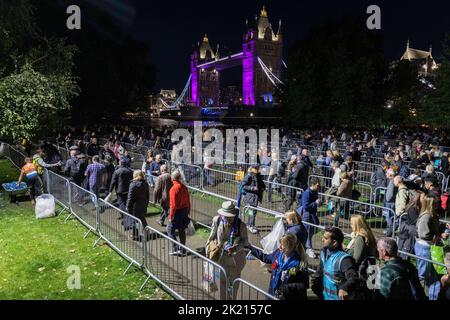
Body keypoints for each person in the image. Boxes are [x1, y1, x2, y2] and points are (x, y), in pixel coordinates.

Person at [205, 201, 248, 300]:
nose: (228, 218)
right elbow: (211, 237)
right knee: (223, 281)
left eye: (230, 216)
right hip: (220, 256)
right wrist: (209, 250)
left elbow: (245, 242)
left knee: (233, 283)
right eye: (226, 216)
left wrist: (235, 248)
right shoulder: (217, 220)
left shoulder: (241, 225)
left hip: (235, 259)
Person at [249, 233, 309, 300]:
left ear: (290, 246)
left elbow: (304, 285)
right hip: (272, 294)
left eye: (283, 245)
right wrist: (250, 248)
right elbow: (265, 257)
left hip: (287, 297)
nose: (280, 247)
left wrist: (285, 289)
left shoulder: (300, 264)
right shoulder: (278, 253)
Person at [311, 227, 360, 300]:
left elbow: (353, 278)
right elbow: (321, 269)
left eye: (326, 238)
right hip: (325, 297)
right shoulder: (324, 252)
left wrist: (344, 288)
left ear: (334, 242)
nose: (322, 240)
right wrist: (315, 282)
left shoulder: (344, 259)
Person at [415, 194, 443, 300]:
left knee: (434, 274)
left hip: (431, 247)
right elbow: (423, 234)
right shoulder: (426, 216)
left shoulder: (432, 214)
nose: (438, 205)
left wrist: (443, 227)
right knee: (422, 274)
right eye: (435, 203)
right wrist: (438, 236)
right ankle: (416, 293)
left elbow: (432, 228)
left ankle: (433, 296)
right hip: (424, 247)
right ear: (430, 204)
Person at [168, 170, 191, 255]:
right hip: (184, 211)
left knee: (170, 230)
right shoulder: (184, 187)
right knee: (181, 230)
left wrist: (170, 216)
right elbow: (188, 201)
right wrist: (188, 212)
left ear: (172, 178)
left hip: (177, 212)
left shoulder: (173, 189)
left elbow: (173, 205)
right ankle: (183, 249)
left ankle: (175, 248)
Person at [299, 177, 320, 259]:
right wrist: (315, 203)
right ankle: (309, 248)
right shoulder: (307, 193)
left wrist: (318, 203)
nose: (319, 187)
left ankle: (305, 246)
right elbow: (305, 206)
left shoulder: (315, 191)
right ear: (313, 184)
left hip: (313, 214)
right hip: (307, 215)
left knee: (313, 230)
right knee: (308, 231)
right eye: (317, 185)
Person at [241, 164, 265, 234]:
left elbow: (260, 182)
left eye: (258, 168)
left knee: (252, 211)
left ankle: (249, 224)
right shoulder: (249, 176)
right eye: (256, 168)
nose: (258, 169)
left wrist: (263, 186)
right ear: (252, 168)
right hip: (251, 197)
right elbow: (243, 185)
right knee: (253, 211)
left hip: (256, 197)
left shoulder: (258, 175)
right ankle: (251, 225)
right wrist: (252, 188)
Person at [126, 170, 149, 241]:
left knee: (135, 221)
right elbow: (147, 195)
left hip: (134, 206)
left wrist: (128, 206)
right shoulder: (145, 183)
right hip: (143, 204)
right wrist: (146, 203)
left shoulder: (133, 184)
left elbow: (130, 197)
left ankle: (135, 235)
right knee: (142, 219)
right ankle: (146, 232)